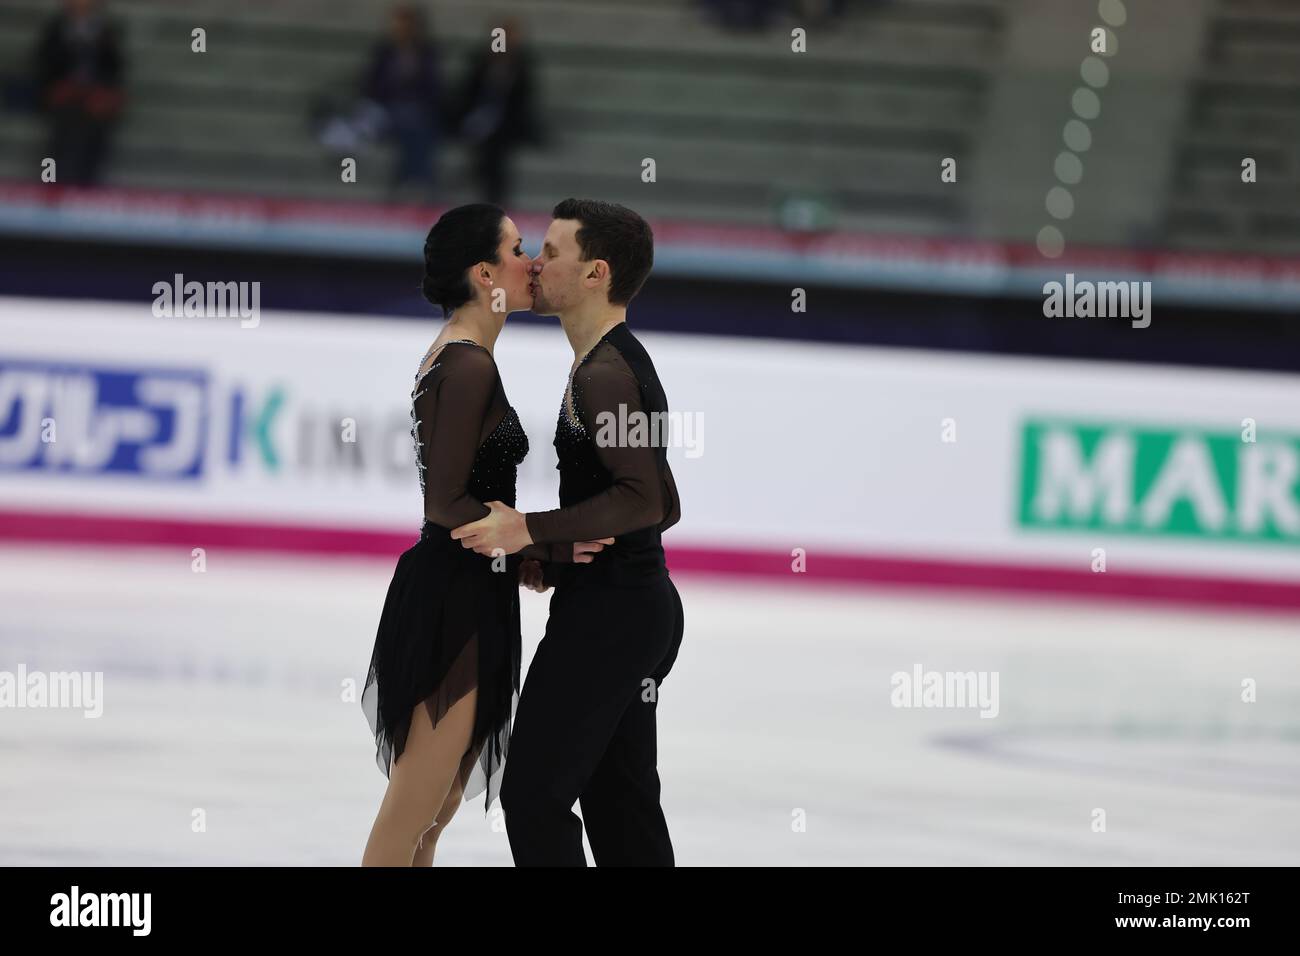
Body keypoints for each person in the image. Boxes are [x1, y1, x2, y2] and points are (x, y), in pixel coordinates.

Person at [359, 203, 607, 866]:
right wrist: (539, 543)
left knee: (432, 816)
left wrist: (519, 547)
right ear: (482, 272)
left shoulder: (466, 358)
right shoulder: (466, 365)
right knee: (411, 812)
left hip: (471, 585)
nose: (532, 262)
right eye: (519, 247)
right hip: (454, 599)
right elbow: (446, 504)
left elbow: (463, 501)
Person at [452, 199, 685, 866]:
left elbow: (647, 498)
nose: (535, 262)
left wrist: (530, 530)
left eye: (552, 253)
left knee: (534, 795)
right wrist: (555, 552)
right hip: (631, 604)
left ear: (596, 274)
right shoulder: (609, 361)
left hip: (612, 615)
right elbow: (650, 500)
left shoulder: (604, 373)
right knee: (621, 800)